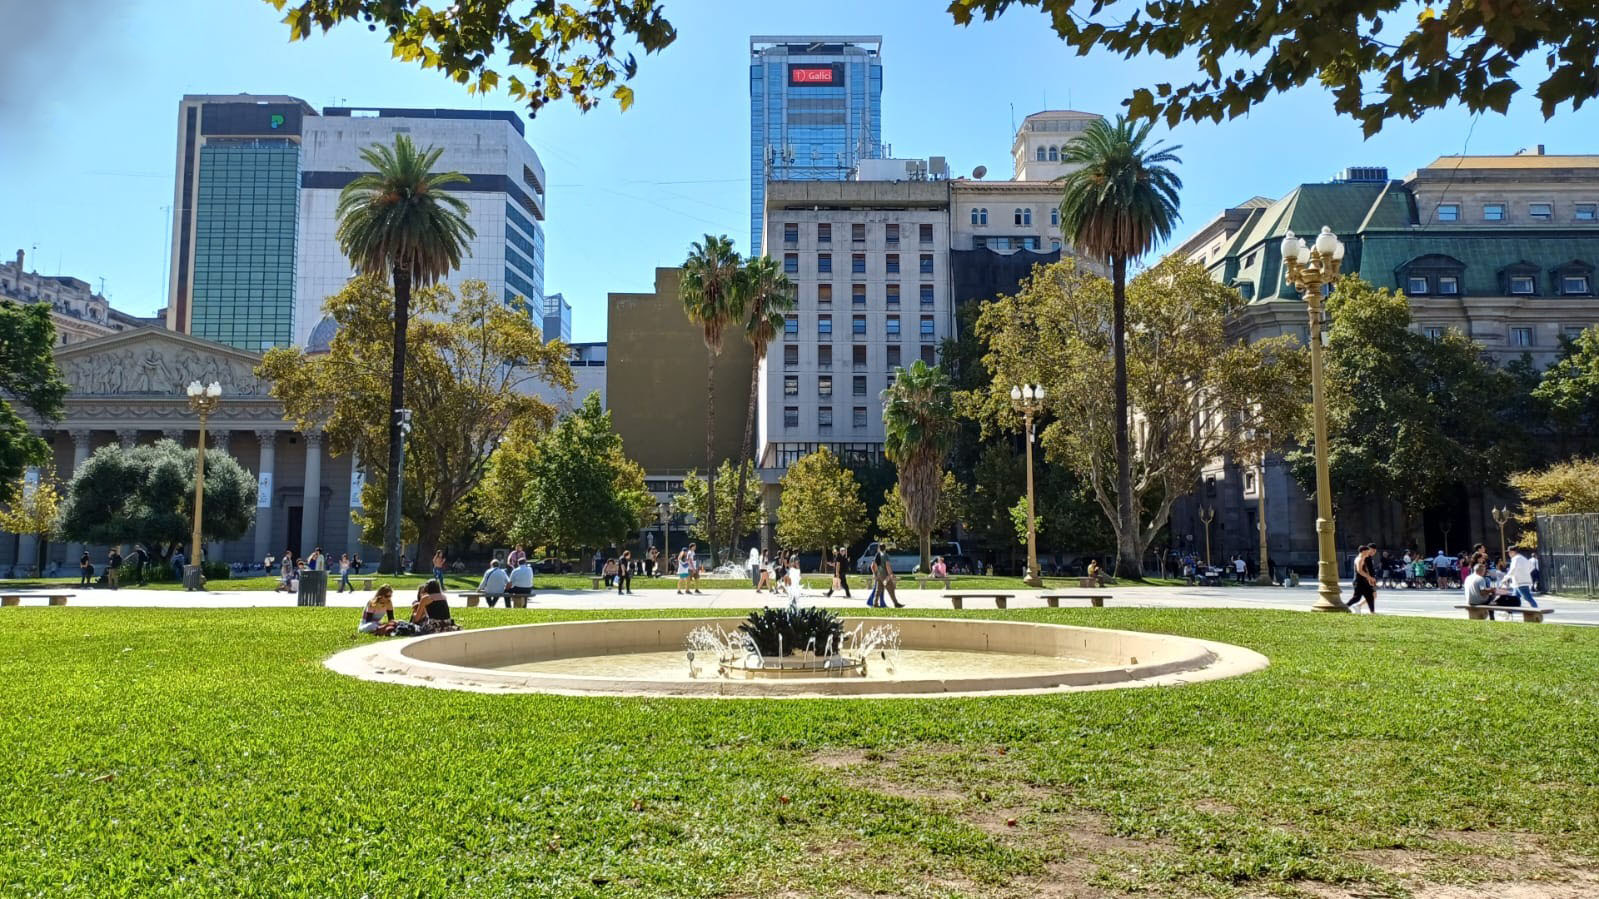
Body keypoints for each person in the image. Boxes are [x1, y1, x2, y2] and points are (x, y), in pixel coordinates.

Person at [1504, 545, 1539, 609]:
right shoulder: (1522, 558)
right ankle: (1513, 611)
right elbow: (1531, 567)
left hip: (1520, 582)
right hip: (1520, 581)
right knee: (1515, 598)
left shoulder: (1516, 559)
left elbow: (1513, 569)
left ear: (1513, 552)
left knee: (1527, 597)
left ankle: (1536, 610)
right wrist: (1524, 573)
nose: (1508, 554)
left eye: (1509, 552)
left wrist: (1505, 578)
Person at [1348, 544, 1378, 613]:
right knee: (1357, 598)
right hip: (1359, 581)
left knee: (1370, 596)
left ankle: (1372, 612)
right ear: (1363, 551)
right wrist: (1370, 577)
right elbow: (1359, 570)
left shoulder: (1364, 558)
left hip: (1364, 581)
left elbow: (1366, 570)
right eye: (1368, 551)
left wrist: (1370, 578)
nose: (1369, 553)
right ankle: (1345, 607)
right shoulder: (1360, 559)